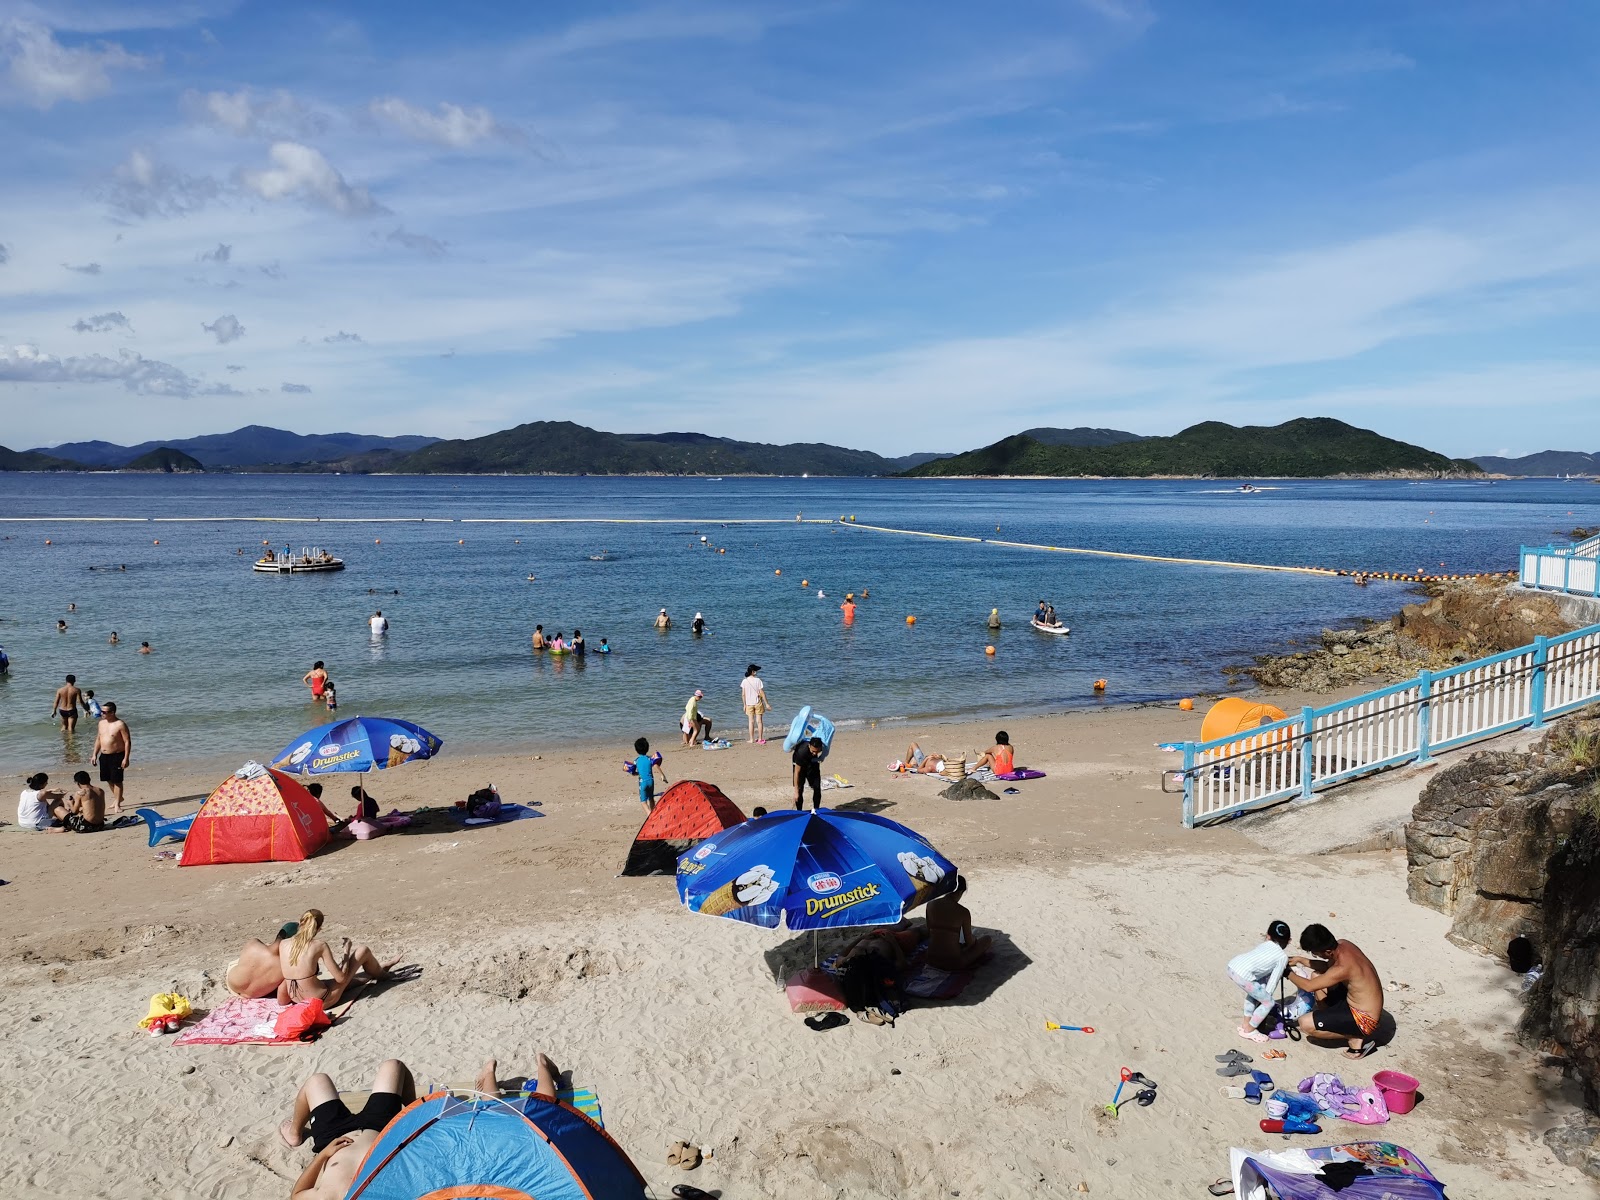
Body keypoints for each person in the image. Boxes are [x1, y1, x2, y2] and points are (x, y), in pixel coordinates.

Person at [280, 1059, 418, 1200]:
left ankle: (294, 1134)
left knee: (316, 1081)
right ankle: (418, 1112)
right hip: (381, 1130)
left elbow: (296, 1195)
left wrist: (324, 1155)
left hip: (332, 1136)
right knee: (394, 1066)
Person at [1290, 924, 1385, 1058]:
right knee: (1317, 975)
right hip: (1356, 1002)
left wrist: (1288, 974)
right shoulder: (1344, 944)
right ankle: (1331, 1020)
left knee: (1305, 1024)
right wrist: (1301, 960)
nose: (1314, 955)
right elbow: (1328, 967)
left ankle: (1355, 1037)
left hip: (1365, 1019)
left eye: (1315, 953)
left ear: (1328, 952)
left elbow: (1309, 986)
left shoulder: (1343, 967)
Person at [277, 909, 402, 1007]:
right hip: (321, 1001)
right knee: (363, 951)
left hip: (297, 999)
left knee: (350, 980)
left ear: (300, 923)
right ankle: (385, 975)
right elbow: (341, 978)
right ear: (319, 928)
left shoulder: (283, 944)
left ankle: (380, 969)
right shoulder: (320, 945)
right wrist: (346, 952)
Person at [1226, 920, 1292, 1042]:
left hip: (1233, 966)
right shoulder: (1282, 957)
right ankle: (1250, 1029)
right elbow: (1273, 981)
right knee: (1268, 1002)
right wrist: (1267, 998)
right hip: (1244, 975)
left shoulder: (1264, 944)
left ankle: (1246, 1024)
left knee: (1256, 991)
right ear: (1289, 941)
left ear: (1268, 936)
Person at [925, 875, 992, 971]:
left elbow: (929, 932)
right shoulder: (963, 912)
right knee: (987, 939)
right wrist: (973, 940)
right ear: (960, 892)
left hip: (931, 958)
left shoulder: (930, 905)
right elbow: (969, 942)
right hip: (953, 962)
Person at [224, 921, 301, 998]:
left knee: (242, 960)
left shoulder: (253, 943)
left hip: (232, 984)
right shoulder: (285, 966)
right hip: (252, 996)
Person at [92, 701, 131, 813]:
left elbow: (127, 741)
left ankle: (117, 804)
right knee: (108, 779)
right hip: (104, 755)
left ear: (112, 712)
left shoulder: (120, 724)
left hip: (117, 755)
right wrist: (94, 754)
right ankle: (118, 797)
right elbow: (98, 739)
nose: (102, 713)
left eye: (104, 712)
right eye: (101, 711)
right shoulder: (101, 723)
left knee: (117, 780)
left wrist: (126, 758)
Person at [632, 737, 666, 811]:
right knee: (651, 798)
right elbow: (656, 765)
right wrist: (662, 775)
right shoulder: (650, 759)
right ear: (647, 748)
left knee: (643, 802)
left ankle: (649, 815)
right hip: (651, 781)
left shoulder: (636, 761)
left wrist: (636, 773)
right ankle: (653, 812)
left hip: (643, 782)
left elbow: (633, 772)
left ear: (636, 750)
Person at [792, 735, 823, 811]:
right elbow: (796, 772)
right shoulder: (801, 752)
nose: (815, 754)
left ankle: (816, 810)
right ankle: (799, 811)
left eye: (817, 751)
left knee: (817, 787)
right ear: (809, 746)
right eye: (813, 751)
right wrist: (795, 791)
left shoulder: (818, 749)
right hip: (800, 764)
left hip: (812, 763)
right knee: (799, 788)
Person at [741, 663, 769, 744]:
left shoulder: (744, 681)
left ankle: (751, 739)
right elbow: (762, 693)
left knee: (751, 722)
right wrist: (766, 703)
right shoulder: (758, 680)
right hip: (758, 703)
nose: (756, 672)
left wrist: (744, 705)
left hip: (749, 704)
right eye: (755, 670)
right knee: (759, 721)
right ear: (753, 672)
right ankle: (760, 738)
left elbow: (743, 694)